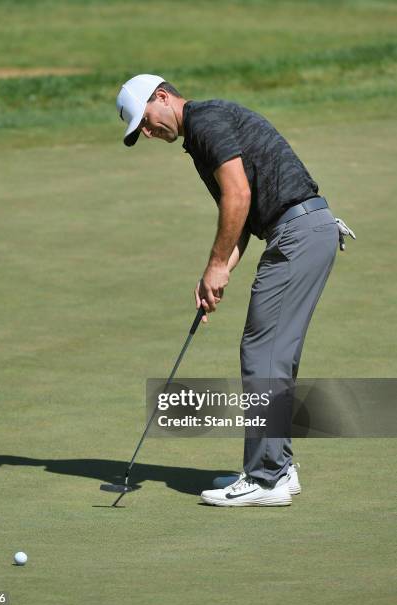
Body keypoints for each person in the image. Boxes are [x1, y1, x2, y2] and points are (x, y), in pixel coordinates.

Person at [116, 74, 355, 507]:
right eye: (140, 131)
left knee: (261, 352)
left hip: (297, 234)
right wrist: (217, 276)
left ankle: (267, 478)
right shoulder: (203, 133)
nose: (147, 132)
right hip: (306, 230)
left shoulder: (206, 121)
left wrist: (214, 266)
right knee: (271, 354)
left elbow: (238, 196)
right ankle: (276, 465)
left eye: (145, 121)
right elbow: (241, 219)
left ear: (163, 97)